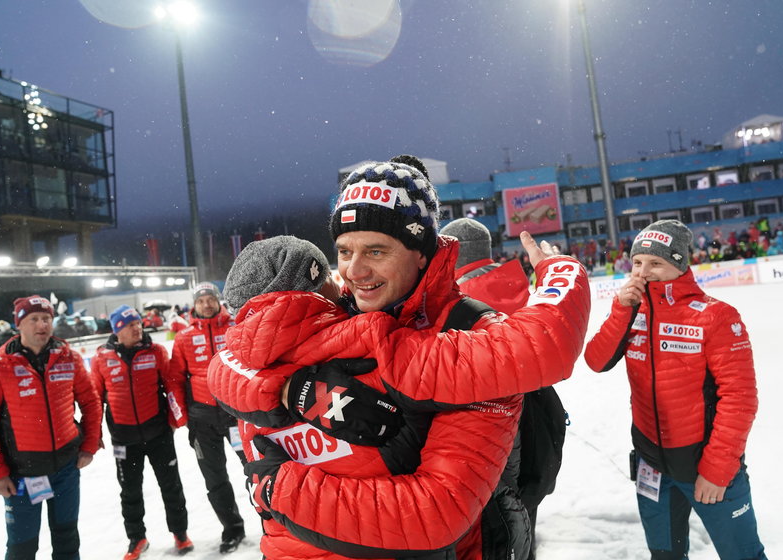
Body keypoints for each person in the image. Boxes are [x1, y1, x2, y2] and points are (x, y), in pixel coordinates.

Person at [208, 156, 590, 560]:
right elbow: (248, 346)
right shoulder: (335, 320)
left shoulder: (470, 333)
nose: (354, 271)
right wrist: (282, 389)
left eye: (376, 250)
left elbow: (435, 511)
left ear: (420, 252)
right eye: (343, 251)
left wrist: (276, 487)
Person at [584, 220, 767, 559]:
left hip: (706, 464)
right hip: (650, 463)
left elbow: (740, 399)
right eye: (638, 262)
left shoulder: (717, 316)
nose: (644, 271)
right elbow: (596, 360)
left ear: (679, 264)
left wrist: (717, 469)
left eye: (656, 263)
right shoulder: (631, 311)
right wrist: (621, 310)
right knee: (665, 556)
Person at [441, 217, 566, 560]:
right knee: (522, 516)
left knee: (492, 525)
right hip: (535, 417)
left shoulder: (459, 300)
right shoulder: (519, 284)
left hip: (488, 429)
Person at [0, 295, 102, 559]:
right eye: (34, 319)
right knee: (22, 549)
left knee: (67, 541)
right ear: (19, 324)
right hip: (21, 475)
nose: (42, 324)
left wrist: (89, 446)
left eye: (46, 318)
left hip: (66, 470)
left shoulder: (69, 358)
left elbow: (91, 403)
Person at [91, 305, 192, 559]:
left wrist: (174, 420)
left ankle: (180, 533)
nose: (137, 328)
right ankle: (137, 538)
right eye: (129, 325)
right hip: (123, 440)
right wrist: (94, 435)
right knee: (130, 491)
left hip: (158, 434)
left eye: (138, 323)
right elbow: (94, 399)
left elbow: (170, 386)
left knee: (171, 486)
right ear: (117, 331)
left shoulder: (156, 351)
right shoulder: (102, 357)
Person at [169, 282, 245, 554]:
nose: (207, 304)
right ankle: (232, 528)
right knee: (215, 479)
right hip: (202, 420)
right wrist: (181, 418)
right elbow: (174, 380)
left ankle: (273, 521)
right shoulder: (184, 337)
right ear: (194, 305)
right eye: (201, 301)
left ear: (218, 300)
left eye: (210, 299)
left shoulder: (236, 326)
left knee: (257, 469)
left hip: (238, 415)